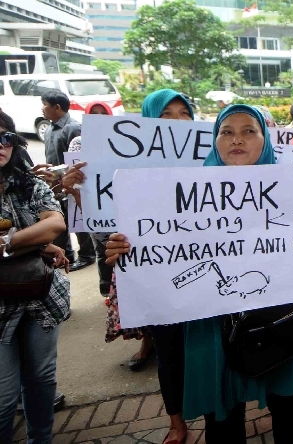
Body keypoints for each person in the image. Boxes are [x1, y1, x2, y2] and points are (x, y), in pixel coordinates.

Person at [107, 104, 293, 443]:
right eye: (227, 131)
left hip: (280, 320)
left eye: (249, 130)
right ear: (215, 141)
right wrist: (124, 248)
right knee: (221, 418)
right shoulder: (183, 192)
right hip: (211, 326)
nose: (237, 138)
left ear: (265, 140)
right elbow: (157, 243)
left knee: (289, 404)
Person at [67, 89, 195, 444]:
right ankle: (177, 422)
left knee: (205, 350)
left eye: (183, 113)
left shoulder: (209, 164)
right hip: (155, 278)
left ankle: (213, 412)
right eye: (165, 113)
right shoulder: (123, 168)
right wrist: (79, 191)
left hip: (203, 278)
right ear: (147, 121)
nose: (176, 121)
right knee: (169, 354)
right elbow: (104, 223)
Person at [0, 111, 72, 444]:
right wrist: (34, 241)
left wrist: (8, 241)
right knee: (4, 395)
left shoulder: (29, 183)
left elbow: (55, 223)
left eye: (5, 138)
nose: (0, 146)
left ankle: (40, 439)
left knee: (42, 379)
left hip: (40, 297)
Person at [66, 102, 114, 297]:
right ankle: (107, 290)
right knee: (103, 250)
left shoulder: (125, 142)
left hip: (120, 203)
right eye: (94, 114)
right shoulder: (79, 142)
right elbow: (79, 175)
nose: (100, 118)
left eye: (104, 114)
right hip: (95, 204)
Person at [36, 90, 86, 271]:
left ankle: (87, 255)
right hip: (55, 184)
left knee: (78, 218)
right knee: (61, 220)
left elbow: (79, 159)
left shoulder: (73, 128)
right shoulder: (49, 128)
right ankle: (66, 255)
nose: (42, 108)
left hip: (72, 182)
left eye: (45, 104)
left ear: (57, 107)